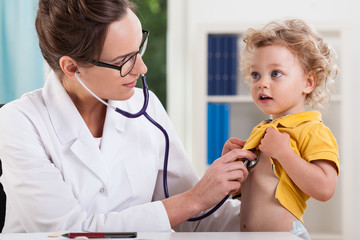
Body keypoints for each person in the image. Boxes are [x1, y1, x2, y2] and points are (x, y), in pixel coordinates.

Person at [0, 0, 257, 233]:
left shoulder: (146, 107)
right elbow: (68, 231)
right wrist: (196, 198)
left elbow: (195, 218)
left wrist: (265, 211)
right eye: (124, 60)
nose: (142, 68)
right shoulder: (19, 122)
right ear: (72, 68)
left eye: (138, 50)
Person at [222, 19, 339, 239]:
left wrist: (284, 154)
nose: (262, 83)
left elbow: (325, 188)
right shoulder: (262, 131)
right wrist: (233, 165)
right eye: (256, 75)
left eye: (275, 73)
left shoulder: (312, 130)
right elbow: (245, 196)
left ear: (308, 82)